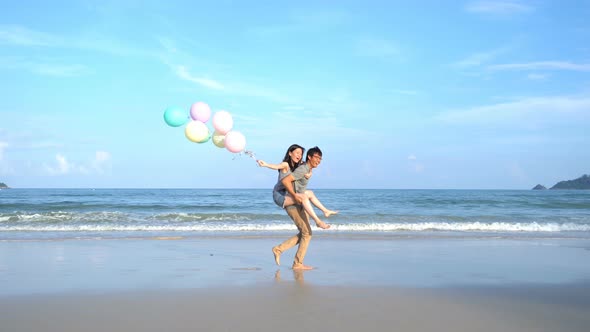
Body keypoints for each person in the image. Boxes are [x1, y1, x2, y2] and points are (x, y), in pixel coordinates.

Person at [270, 146, 328, 270]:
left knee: (306, 233)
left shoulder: (302, 166)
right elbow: (286, 180)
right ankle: (297, 263)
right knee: (307, 233)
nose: (318, 160)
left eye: (320, 159)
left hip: (297, 201)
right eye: (316, 157)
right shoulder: (297, 167)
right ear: (310, 157)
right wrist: (264, 164)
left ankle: (279, 250)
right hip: (290, 202)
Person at [257, 145, 337, 229]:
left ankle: (325, 211)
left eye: (301, 154)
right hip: (280, 195)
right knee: (303, 197)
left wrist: (310, 172)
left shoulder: (298, 165)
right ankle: (317, 221)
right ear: (290, 153)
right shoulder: (285, 164)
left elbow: (308, 165)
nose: (299, 156)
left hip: (287, 193)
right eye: (297, 153)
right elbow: (276, 166)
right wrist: (265, 164)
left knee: (310, 193)